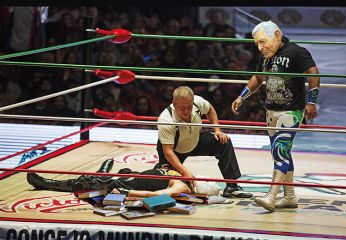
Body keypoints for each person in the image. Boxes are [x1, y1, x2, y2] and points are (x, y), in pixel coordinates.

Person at [231, 21, 320, 212]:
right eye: (257, 44)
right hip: (271, 110)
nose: (260, 47)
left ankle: (271, 196)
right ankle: (289, 197)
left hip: (291, 110)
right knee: (282, 153)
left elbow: (313, 72)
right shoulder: (266, 56)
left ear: (277, 35)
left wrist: (311, 102)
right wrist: (241, 96)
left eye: (263, 42)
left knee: (279, 151)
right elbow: (258, 78)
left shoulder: (296, 51)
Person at [155, 86, 252, 198]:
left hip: (194, 140)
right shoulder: (166, 119)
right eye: (182, 108)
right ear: (174, 103)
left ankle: (232, 186)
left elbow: (210, 109)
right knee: (162, 184)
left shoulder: (197, 101)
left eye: (189, 107)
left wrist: (217, 130)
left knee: (224, 142)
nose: (186, 111)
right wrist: (185, 172)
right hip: (173, 150)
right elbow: (168, 152)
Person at [27, 159, 220, 198]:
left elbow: (157, 195)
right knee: (122, 171)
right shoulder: (184, 177)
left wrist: (129, 193)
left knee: (85, 185)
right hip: (133, 175)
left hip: (130, 184)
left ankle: (47, 184)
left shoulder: (183, 187)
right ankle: (102, 175)